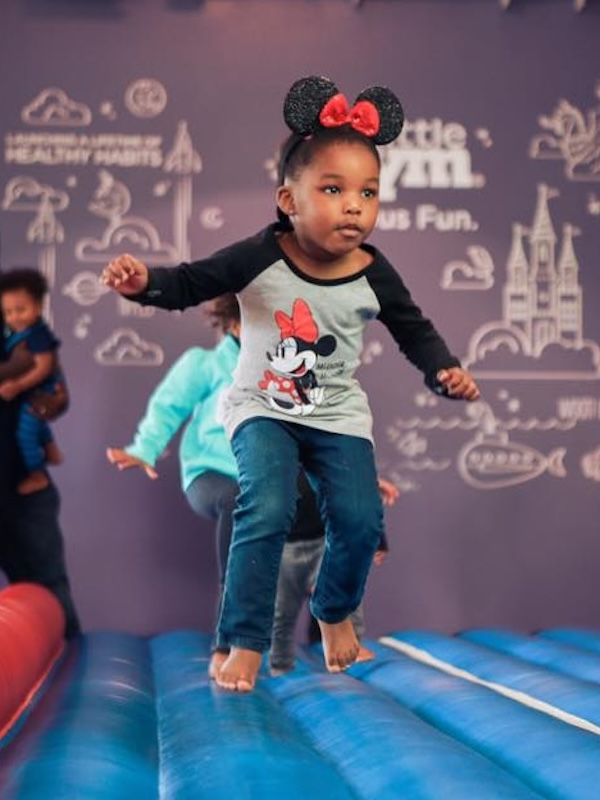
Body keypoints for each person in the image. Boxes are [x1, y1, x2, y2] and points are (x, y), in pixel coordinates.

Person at [101, 74, 481, 692]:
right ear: (289, 200)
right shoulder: (260, 255)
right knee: (267, 507)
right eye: (333, 189)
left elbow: (415, 331)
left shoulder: (373, 270)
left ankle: (332, 611)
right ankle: (244, 639)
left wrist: (444, 373)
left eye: (368, 192)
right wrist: (143, 281)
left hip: (335, 413)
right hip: (262, 409)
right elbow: (192, 281)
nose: (354, 205)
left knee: (359, 520)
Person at [106, 293, 395, 677]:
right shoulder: (204, 364)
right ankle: (227, 643)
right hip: (214, 473)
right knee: (241, 503)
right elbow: (167, 407)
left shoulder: (290, 368)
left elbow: (324, 432)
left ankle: (329, 635)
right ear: (235, 327)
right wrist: (144, 448)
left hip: (270, 473)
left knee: (339, 497)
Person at [0, 272, 80, 639]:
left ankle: (68, 659)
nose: (14, 314)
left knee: (46, 583)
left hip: (23, 490)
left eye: (20, 309)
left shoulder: (26, 338)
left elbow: (55, 395)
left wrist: (37, 393)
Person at [269, 472, 399, 675]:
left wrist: (378, 536)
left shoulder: (329, 449)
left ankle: (351, 646)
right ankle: (279, 663)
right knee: (281, 610)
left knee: (342, 591)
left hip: (325, 536)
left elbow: (356, 482)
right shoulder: (275, 449)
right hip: (284, 542)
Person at [0, 268, 64, 495]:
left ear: (38, 307)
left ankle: (37, 475)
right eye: (8, 312)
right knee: (34, 425)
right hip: (30, 392)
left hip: (39, 391)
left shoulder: (36, 334)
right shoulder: (18, 331)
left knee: (26, 433)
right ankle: (52, 450)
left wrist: (18, 385)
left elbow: (44, 367)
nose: (14, 317)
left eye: (20, 309)